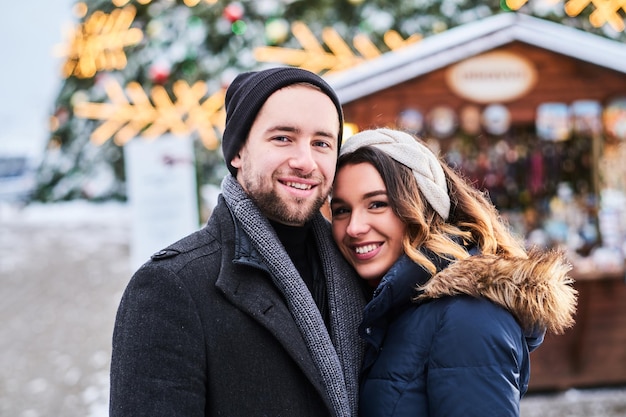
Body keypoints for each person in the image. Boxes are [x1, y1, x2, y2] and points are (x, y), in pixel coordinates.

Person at [110, 67, 366, 417]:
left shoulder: (358, 267)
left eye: (321, 143)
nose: (306, 162)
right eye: (282, 138)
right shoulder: (171, 286)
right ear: (237, 153)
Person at [330, 128, 578, 417]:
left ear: (423, 208)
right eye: (341, 210)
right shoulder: (394, 306)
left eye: (377, 204)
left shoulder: (467, 317)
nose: (354, 227)